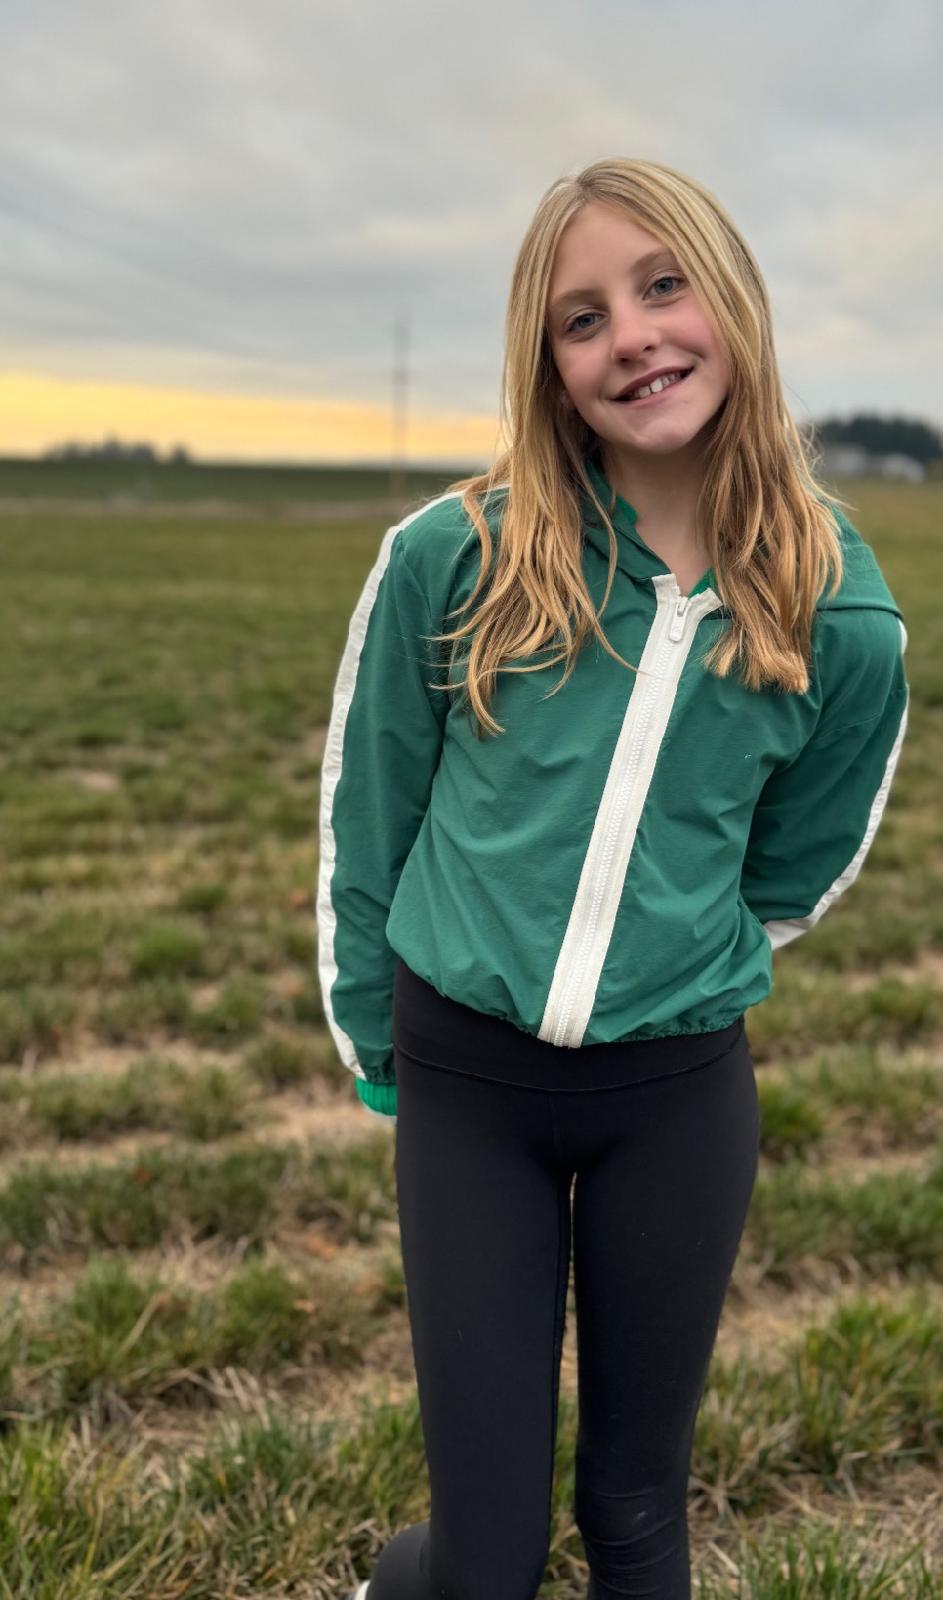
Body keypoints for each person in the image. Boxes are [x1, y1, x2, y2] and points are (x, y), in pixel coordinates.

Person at [318, 158, 910, 1600]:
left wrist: (670, 945)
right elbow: (372, 811)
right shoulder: (455, 555)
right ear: (552, 367)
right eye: (582, 319)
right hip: (468, 1090)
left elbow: (801, 860)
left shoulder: (841, 612)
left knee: (637, 1516)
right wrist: (380, 1039)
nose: (632, 336)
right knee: (486, 1560)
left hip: (676, 1097)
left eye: (663, 286)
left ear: (734, 300)